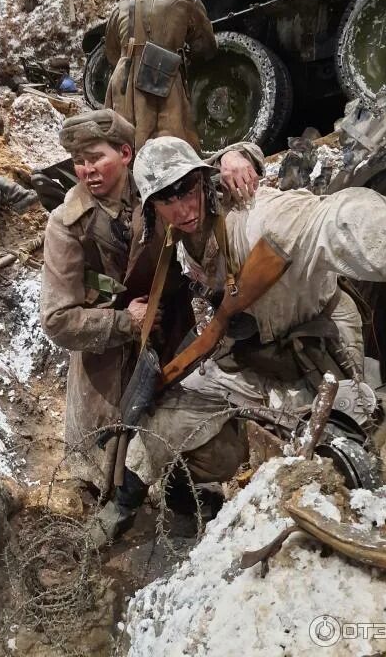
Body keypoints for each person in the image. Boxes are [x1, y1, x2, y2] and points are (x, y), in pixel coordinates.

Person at [89, 134, 386, 542]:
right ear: (153, 205)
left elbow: (350, 215)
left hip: (318, 344)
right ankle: (147, 500)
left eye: (188, 190)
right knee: (165, 421)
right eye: (167, 198)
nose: (183, 208)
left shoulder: (262, 217)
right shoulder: (178, 243)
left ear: (204, 181)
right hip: (248, 353)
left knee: (349, 454)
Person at [40, 110, 262, 491]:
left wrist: (238, 156)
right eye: (79, 161)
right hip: (106, 365)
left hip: (171, 344)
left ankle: (178, 491)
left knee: (218, 449)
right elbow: (57, 319)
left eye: (96, 158)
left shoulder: (158, 185)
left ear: (126, 154)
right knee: (109, 474)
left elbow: (200, 172)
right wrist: (126, 321)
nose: (87, 169)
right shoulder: (66, 223)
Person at [104, 0, 216, 151]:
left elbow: (111, 51)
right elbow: (206, 45)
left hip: (124, 76)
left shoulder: (122, 4)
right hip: (165, 73)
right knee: (171, 142)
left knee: (124, 143)